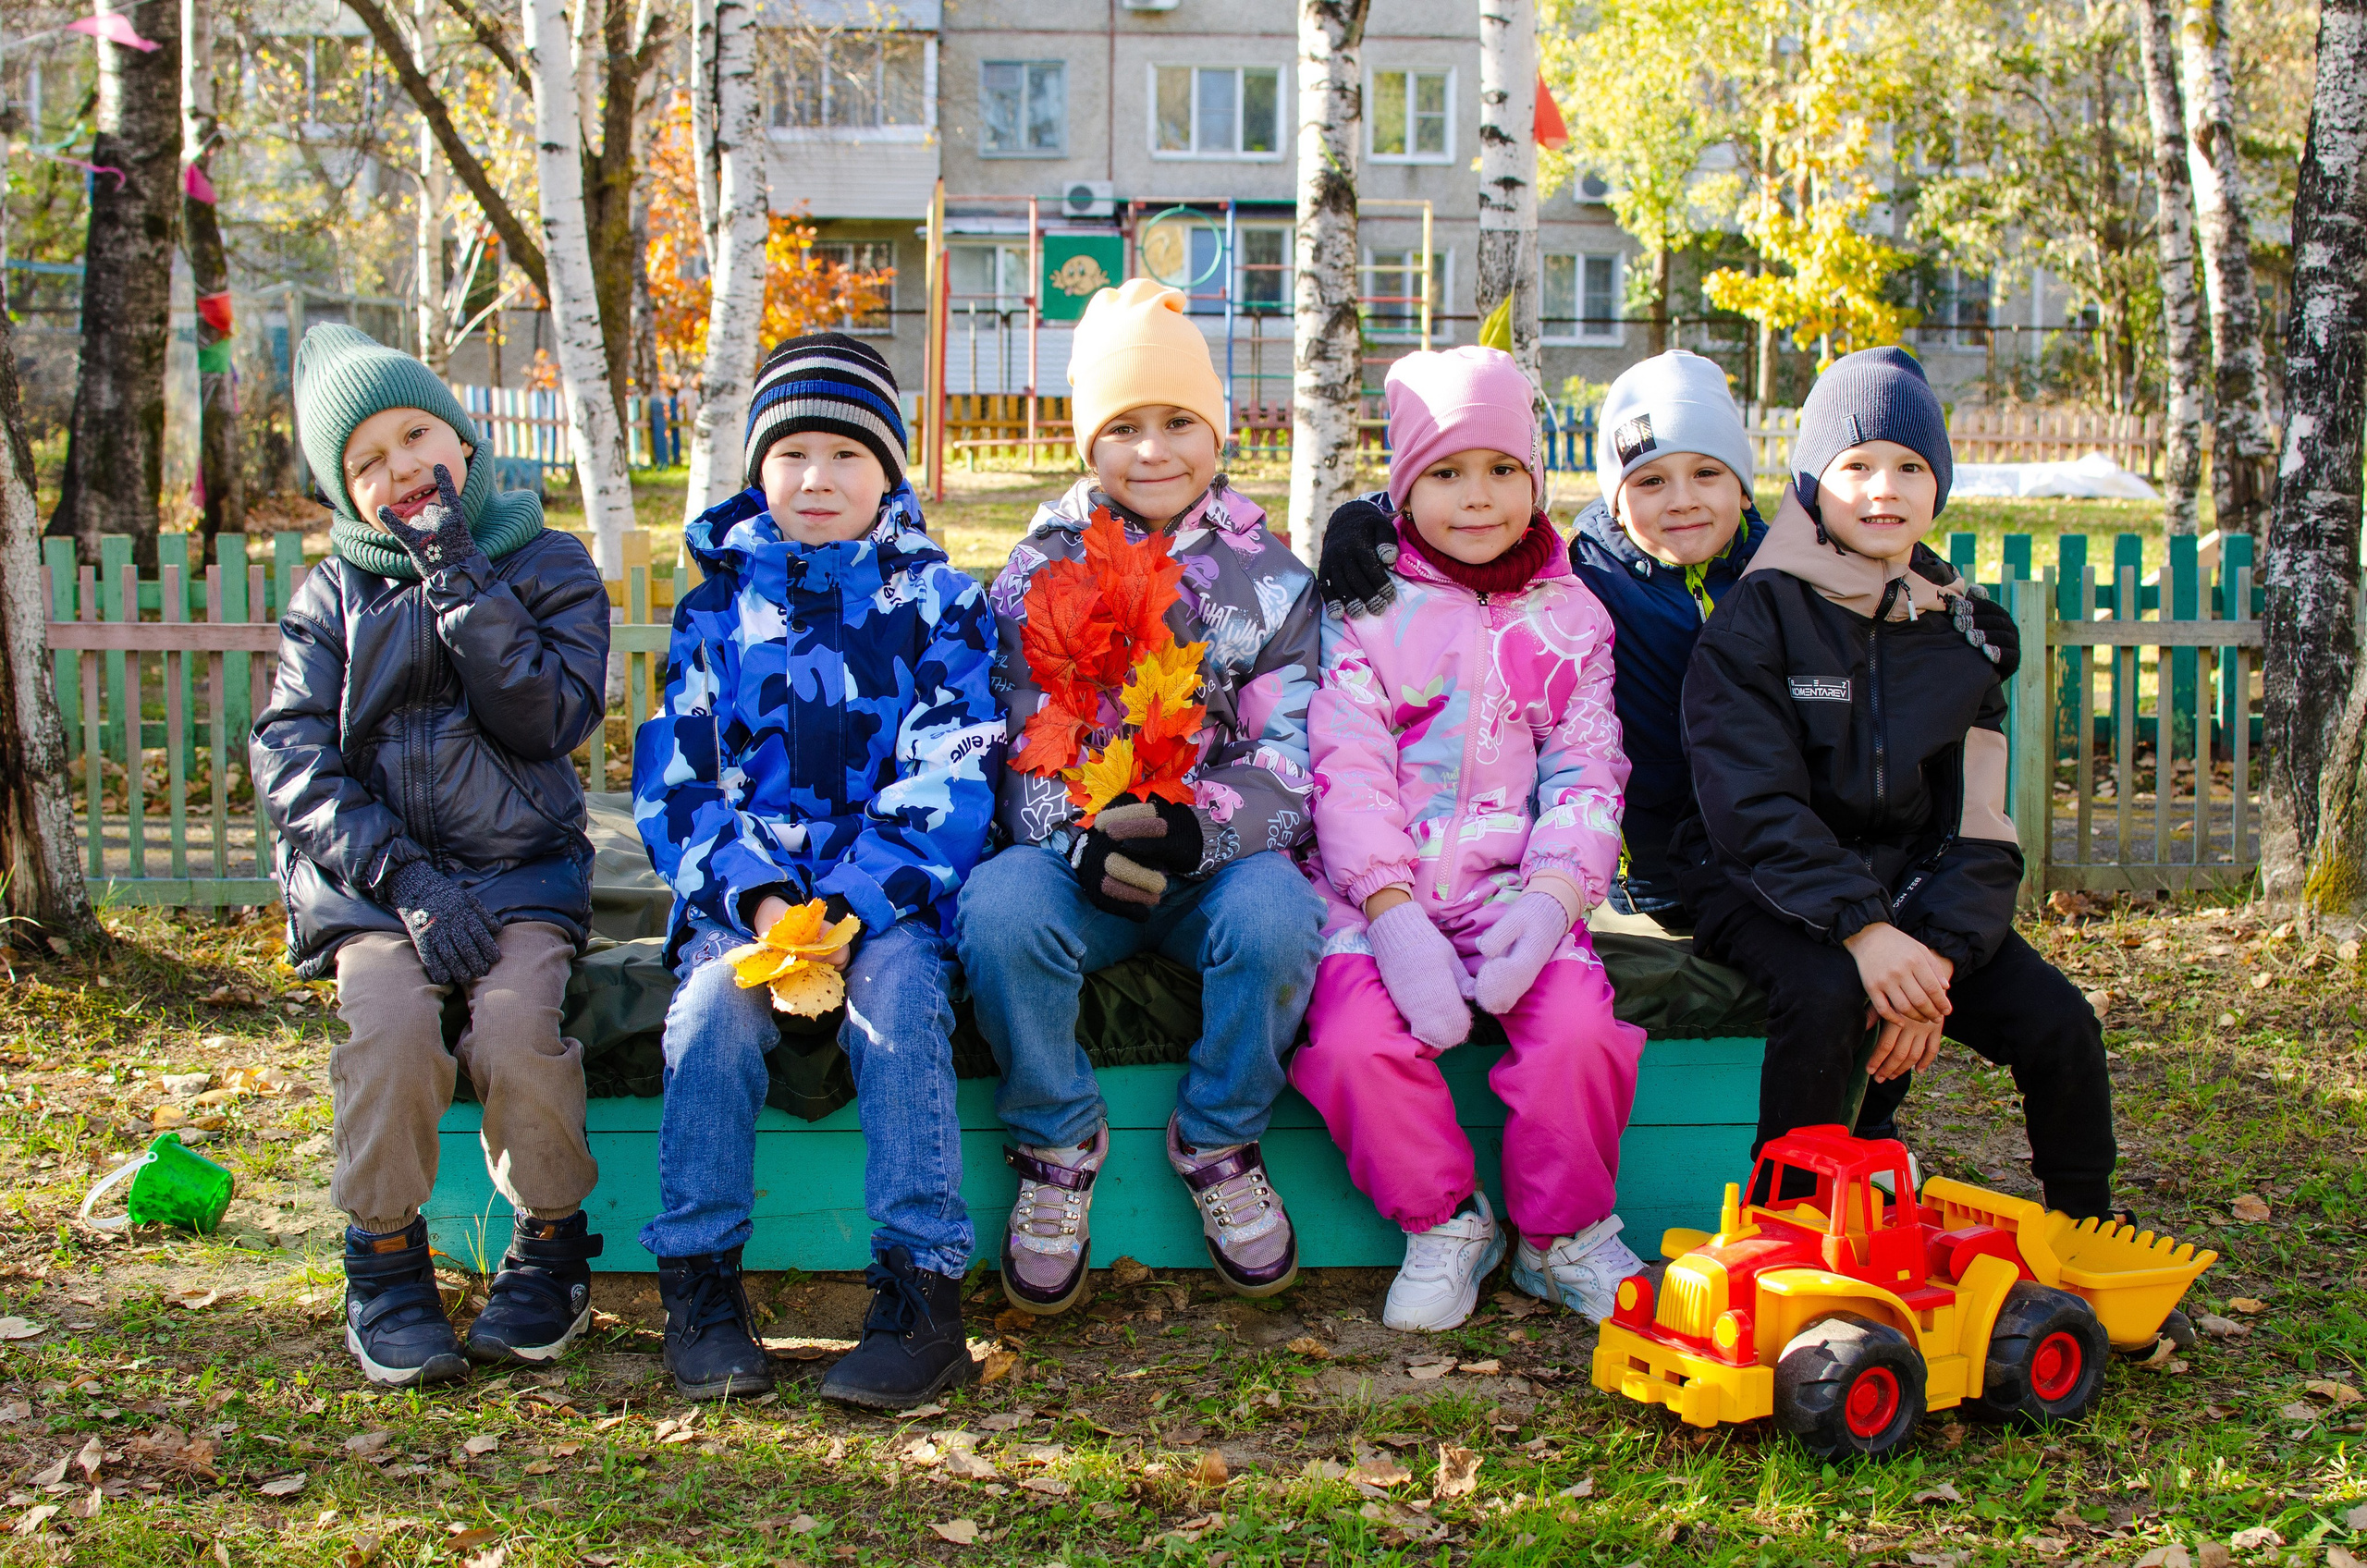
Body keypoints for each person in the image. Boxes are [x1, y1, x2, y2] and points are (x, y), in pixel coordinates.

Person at [1317, 350, 2019, 1144]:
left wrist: (1959, 613)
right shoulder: (1590, 577)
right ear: (1617, 499)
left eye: (1709, 474)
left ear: (1749, 486)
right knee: (1827, 968)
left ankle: (1865, 1131)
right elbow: (1473, 506)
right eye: (1649, 480)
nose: (1681, 502)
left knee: (1864, 952)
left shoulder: (1787, 570)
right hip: (1664, 868)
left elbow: (1882, 551)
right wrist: (1363, 515)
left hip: (1786, 846)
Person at [632, 334, 1002, 1407]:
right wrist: (753, 898)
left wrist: (847, 904)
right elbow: (679, 779)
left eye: (847, 455)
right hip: (745, 906)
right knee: (708, 1017)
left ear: (889, 473)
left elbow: (954, 771)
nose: (818, 479)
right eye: (792, 454)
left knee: (900, 1008)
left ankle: (922, 1293)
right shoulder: (715, 614)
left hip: (881, 905)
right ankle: (699, 1285)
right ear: (761, 471)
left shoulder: (939, 606)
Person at [1670, 346, 2118, 1219]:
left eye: (1911, 468)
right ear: (1812, 486)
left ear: (1938, 486)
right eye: (1857, 466)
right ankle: (1788, 1225)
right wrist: (1867, 936)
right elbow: (1750, 805)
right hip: (1758, 886)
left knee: (2059, 1021)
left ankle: (2087, 1219)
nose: (1885, 489)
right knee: (1828, 991)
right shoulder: (1757, 619)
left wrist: (1939, 956)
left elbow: (1981, 825)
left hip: (1910, 897)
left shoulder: (1959, 634)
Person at [958, 279, 1326, 1316]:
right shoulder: (1035, 569)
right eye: (1123, 426)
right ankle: (1055, 1134)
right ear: (1087, 443)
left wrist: (1197, 829)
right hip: (1075, 862)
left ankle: (1218, 1133)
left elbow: (1290, 756)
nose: (1153, 450)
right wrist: (1070, 835)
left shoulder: (1269, 581)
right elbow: (1016, 733)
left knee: (1281, 919)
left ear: (1217, 431)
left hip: (1208, 865)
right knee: (998, 912)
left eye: (1178, 423)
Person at [254, 325, 609, 1388]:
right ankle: (385, 1259)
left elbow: (549, 717)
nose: (402, 466)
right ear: (344, 491)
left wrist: (458, 577)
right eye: (368, 460)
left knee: (509, 1026)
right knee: (397, 1027)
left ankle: (552, 1248)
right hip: (378, 886)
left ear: (462, 437)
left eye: (416, 434)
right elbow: (290, 755)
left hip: (517, 873)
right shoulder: (331, 599)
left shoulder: (545, 562)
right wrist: (401, 877)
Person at [1288, 346, 1647, 1331]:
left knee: (1578, 1033)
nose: (1476, 497)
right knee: (1356, 1043)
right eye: (1444, 474)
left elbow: (1586, 766)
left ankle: (1561, 1235)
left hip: (1509, 893)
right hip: (1373, 896)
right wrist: (1390, 914)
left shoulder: (1571, 617)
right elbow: (1346, 763)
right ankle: (1445, 1220)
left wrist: (1553, 898)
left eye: (1501, 470)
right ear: (1404, 489)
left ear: (1536, 480)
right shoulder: (1367, 607)